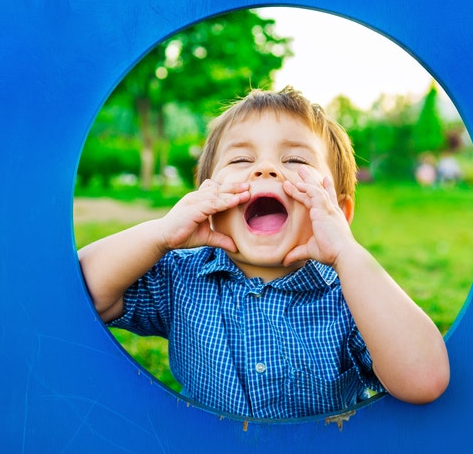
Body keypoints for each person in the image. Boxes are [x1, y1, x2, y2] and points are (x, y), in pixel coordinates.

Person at [78, 86, 449, 419]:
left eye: (296, 161)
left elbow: (424, 380)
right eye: (240, 160)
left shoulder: (355, 297)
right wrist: (160, 234)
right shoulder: (179, 277)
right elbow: (82, 294)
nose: (266, 169)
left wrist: (348, 254)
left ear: (339, 213)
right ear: (208, 200)